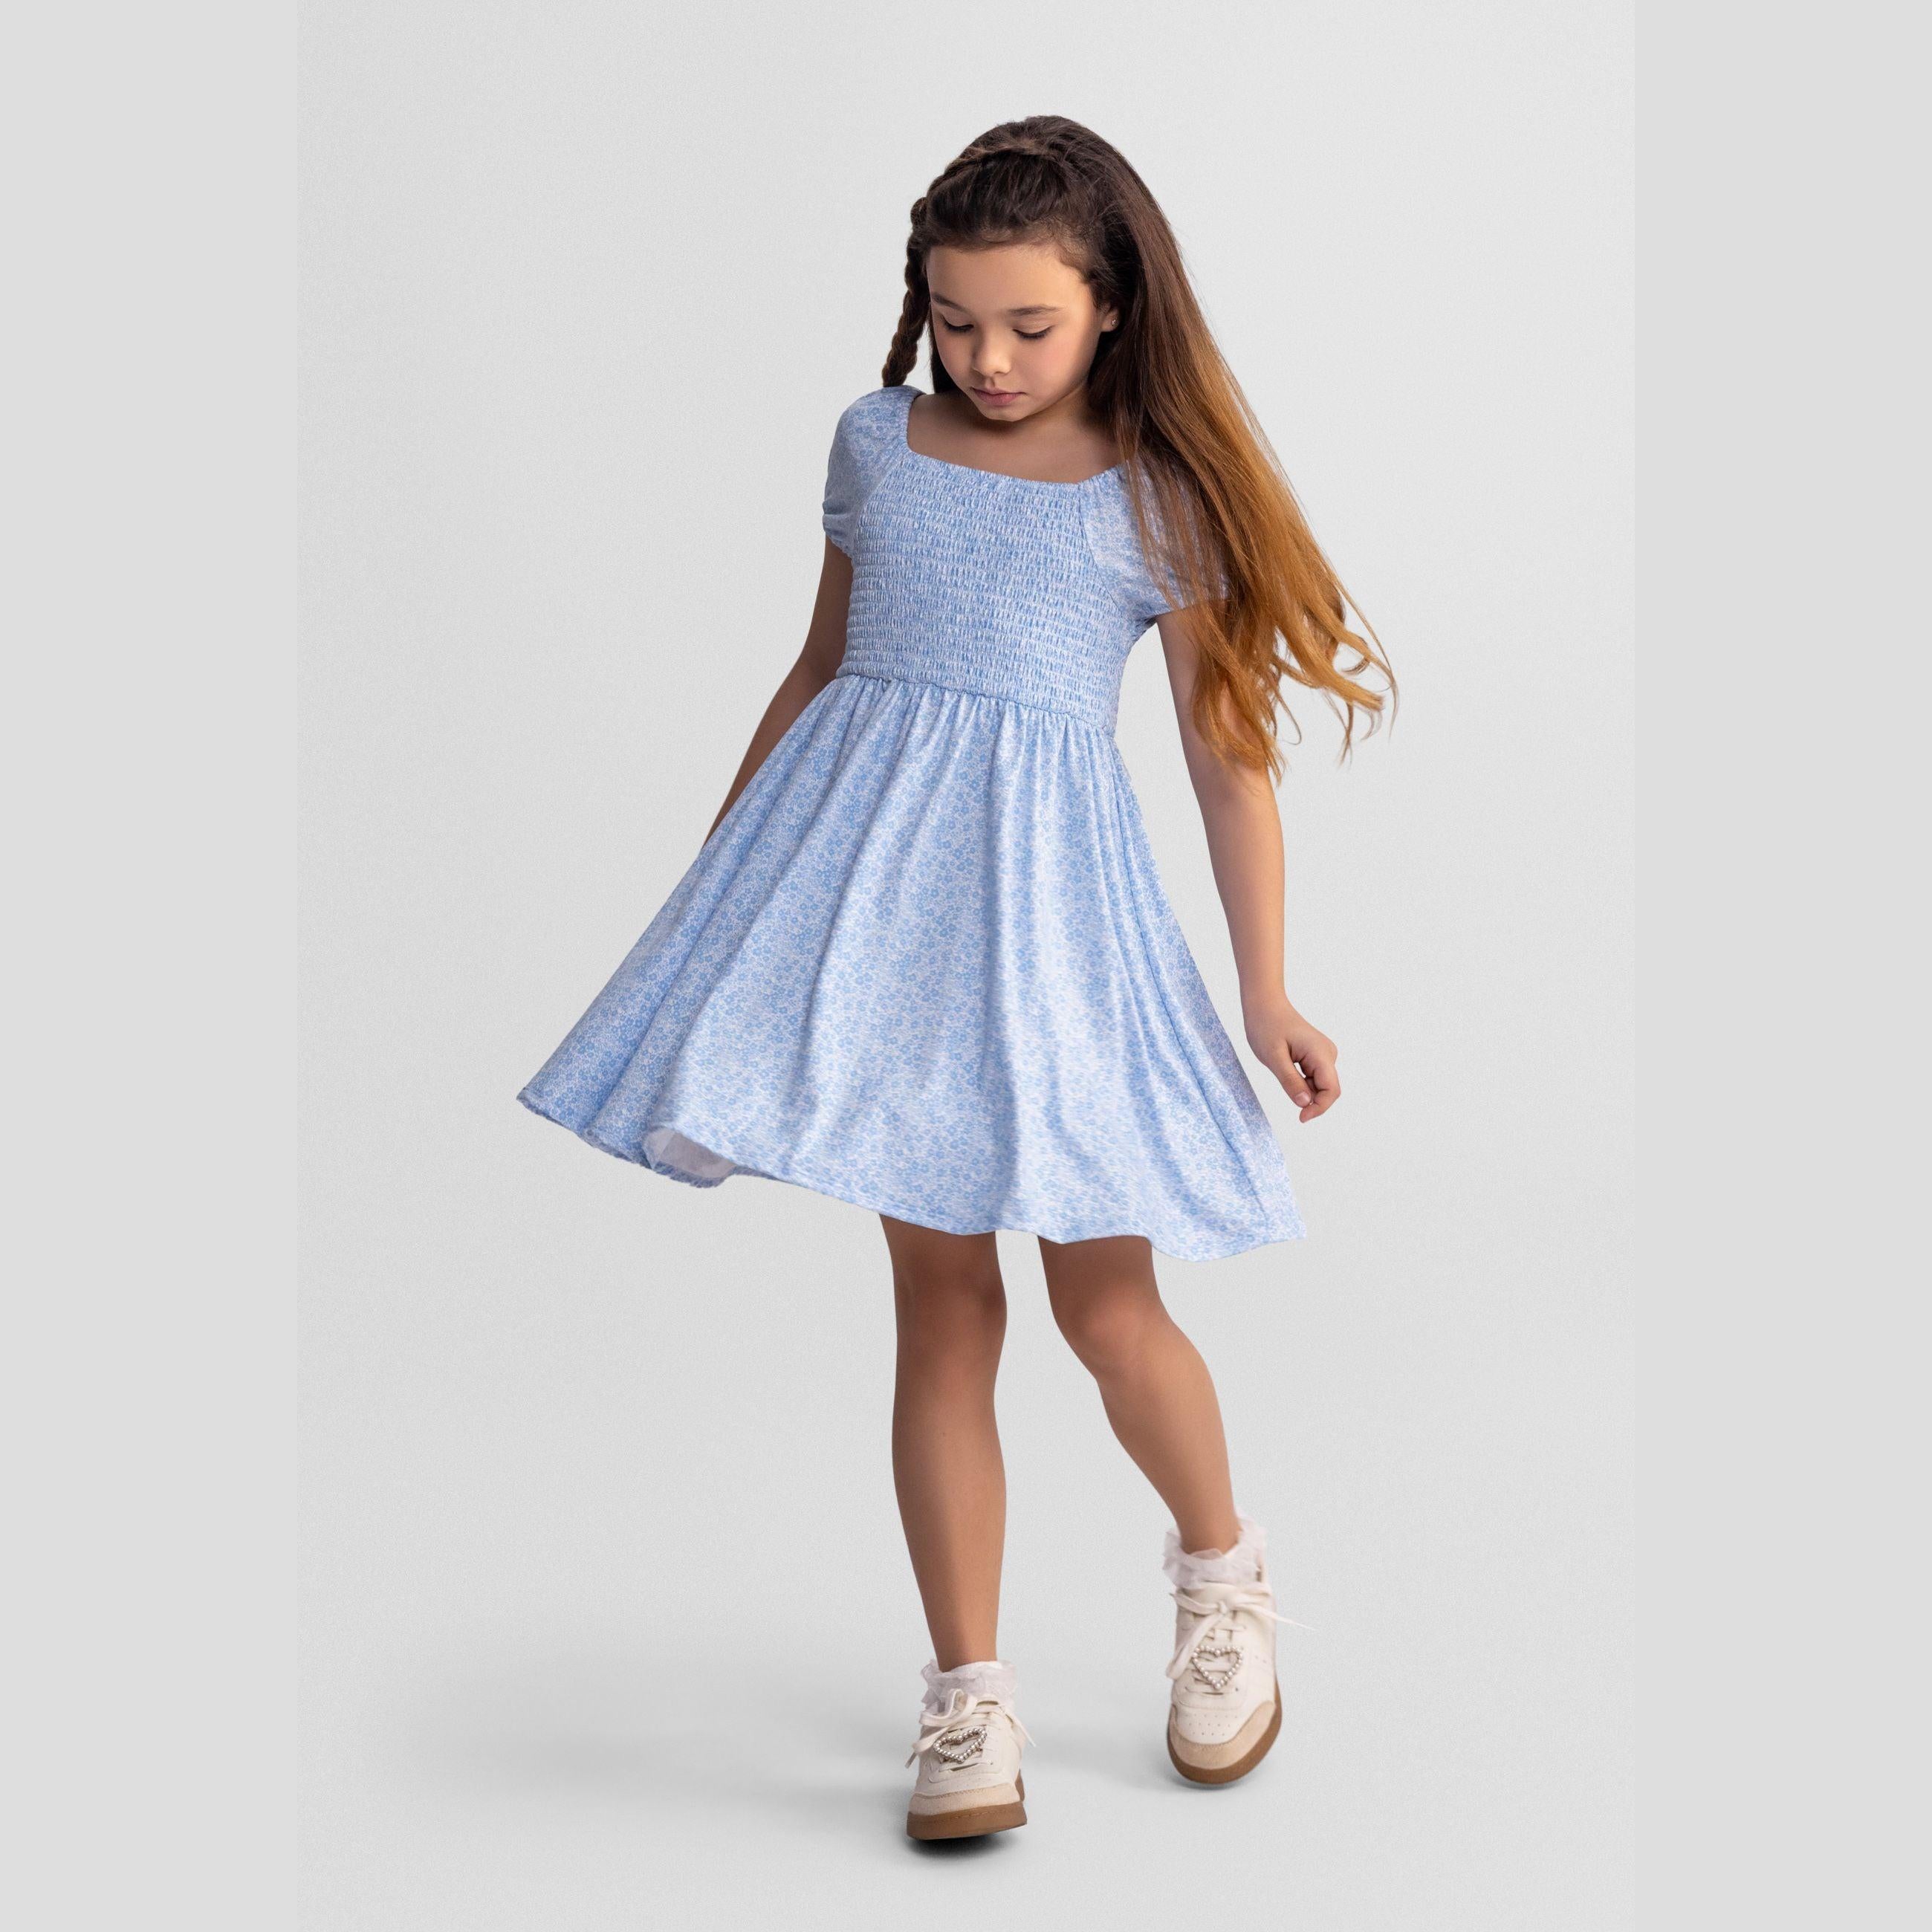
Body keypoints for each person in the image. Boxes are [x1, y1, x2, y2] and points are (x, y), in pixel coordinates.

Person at [518, 113, 1393, 1841]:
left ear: (1115, 310)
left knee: (1105, 1312)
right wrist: (724, 892)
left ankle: (1221, 1572)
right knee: (942, 1313)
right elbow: (822, 667)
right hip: (886, 934)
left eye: (1028, 326)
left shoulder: (1160, 500)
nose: (985, 359)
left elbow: (1229, 765)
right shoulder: (873, 441)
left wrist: (1265, 991)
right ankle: (965, 1698)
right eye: (955, 320)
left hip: (1056, 942)